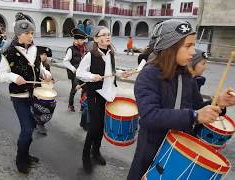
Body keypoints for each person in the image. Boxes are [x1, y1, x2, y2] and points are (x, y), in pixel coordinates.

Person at [127, 19, 235, 180]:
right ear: (170, 47)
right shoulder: (148, 75)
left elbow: (197, 107)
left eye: (193, 45)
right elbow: (150, 116)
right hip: (151, 149)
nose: (193, 52)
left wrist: (218, 102)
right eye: (188, 46)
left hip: (181, 150)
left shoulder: (186, 76)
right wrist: (194, 116)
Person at [0, 19, 52, 174]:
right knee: (27, 128)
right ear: (18, 35)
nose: (30, 36)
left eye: (32, 33)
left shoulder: (35, 49)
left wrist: (46, 74)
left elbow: (39, 68)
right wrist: (14, 78)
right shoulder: (9, 53)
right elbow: (0, 75)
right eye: (27, 33)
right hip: (19, 96)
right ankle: (20, 160)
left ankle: (26, 155)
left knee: (32, 126)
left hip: (35, 95)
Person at [76, 26, 131, 173]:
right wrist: (91, 76)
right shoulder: (90, 55)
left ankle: (96, 152)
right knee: (94, 127)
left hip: (108, 94)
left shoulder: (110, 53)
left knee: (101, 127)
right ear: (95, 38)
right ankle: (85, 156)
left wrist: (120, 73)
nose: (107, 37)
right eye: (103, 35)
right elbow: (79, 73)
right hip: (95, 95)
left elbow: (110, 72)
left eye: (109, 34)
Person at [63, 28, 88, 112]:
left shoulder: (84, 48)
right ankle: (70, 105)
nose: (83, 41)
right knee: (74, 89)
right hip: (75, 73)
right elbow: (65, 61)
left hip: (83, 72)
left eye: (83, 40)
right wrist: (73, 69)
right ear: (76, 40)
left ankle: (83, 105)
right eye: (81, 40)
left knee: (85, 88)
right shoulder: (71, 49)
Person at [35, 46, 53, 135]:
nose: (44, 56)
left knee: (48, 106)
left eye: (45, 54)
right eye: (41, 54)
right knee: (37, 107)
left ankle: (41, 122)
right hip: (35, 89)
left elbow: (48, 76)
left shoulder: (46, 65)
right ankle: (39, 124)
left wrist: (50, 79)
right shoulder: (34, 63)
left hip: (43, 89)